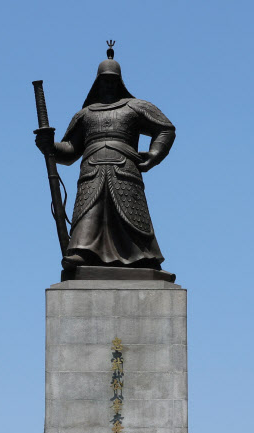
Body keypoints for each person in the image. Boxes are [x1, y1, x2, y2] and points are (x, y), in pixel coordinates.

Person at [35, 52, 175, 271]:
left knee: (130, 213)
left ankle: (143, 257)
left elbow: (165, 128)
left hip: (125, 169)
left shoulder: (135, 107)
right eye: (104, 80)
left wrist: (155, 154)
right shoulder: (85, 114)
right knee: (88, 212)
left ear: (119, 81)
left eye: (113, 80)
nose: (109, 84)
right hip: (91, 169)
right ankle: (82, 252)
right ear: (97, 82)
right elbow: (70, 150)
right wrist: (50, 146)